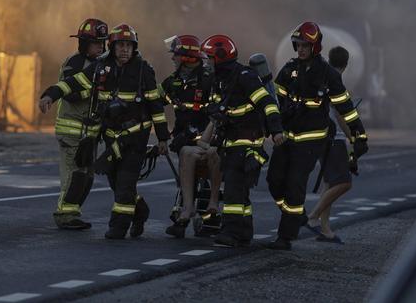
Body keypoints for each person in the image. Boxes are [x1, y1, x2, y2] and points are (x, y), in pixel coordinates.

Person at [38, 23, 169, 240]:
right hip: (110, 138)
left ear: (134, 48)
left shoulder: (143, 70)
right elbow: (73, 83)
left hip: (135, 138)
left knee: (126, 181)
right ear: (113, 47)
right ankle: (140, 211)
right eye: (120, 46)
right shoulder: (101, 67)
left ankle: (118, 227)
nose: (124, 50)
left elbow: (156, 106)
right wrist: (50, 95)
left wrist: (163, 138)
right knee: (116, 182)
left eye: (128, 45)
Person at [267, 22, 368, 251]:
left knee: (295, 184)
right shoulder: (289, 68)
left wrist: (360, 136)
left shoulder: (328, 74)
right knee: (274, 181)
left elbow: (346, 108)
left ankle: (285, 237)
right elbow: (274, 100)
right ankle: (296, 214)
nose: (301, 49)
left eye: (305, 45)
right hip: (286, 137)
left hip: (311, 141)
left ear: (315, 47)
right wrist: (273, 128)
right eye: (298, 45)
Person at [201, 34, 284, 248]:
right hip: (231, 142)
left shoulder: (245, 76)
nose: (206, 62)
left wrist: (276, 131)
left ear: (219, 57)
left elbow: (267, 103)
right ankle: (244, 230)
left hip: (247, 143)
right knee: (238, 189)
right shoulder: (219, 80)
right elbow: (216, 107)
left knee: (233, 190)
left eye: (209, 58)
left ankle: (231, 232)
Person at [157, 34, 221, 238]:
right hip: (184, 139)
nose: (172, 59)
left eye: (175, 55)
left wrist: (203, 136)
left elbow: (220, 112)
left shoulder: (210, 80)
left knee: (208, 161)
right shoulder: (173, 82)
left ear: (185, 58)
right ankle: (186, 209)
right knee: (186, 155)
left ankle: (210, 207)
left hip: (209, 139)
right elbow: (153, 101)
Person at [51, 18, 109, 230]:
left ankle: (73, 213)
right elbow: (71, 94)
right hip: (72, 130)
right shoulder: (74, 63)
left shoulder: (102, 65)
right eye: (96, 43)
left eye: (103, 43)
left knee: (86, 177)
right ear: (84, 44)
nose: (101, 47)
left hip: (90, 133)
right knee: (73, 174)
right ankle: (64, 215)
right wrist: (95, 89)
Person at [305, 46, 355, 243]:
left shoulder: (323, 76)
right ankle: (313, 217)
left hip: (320, 136)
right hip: (333, 139)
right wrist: (352, 136)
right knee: (344, 183)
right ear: (346, 63)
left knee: (330, 183)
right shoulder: (336, 80)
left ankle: (326, 230)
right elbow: (340, 115)